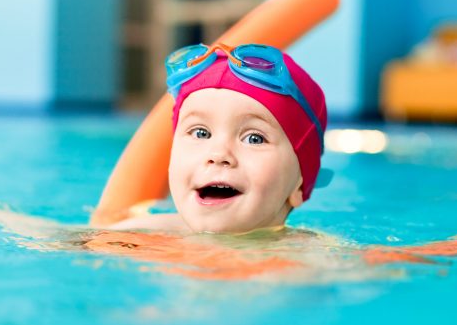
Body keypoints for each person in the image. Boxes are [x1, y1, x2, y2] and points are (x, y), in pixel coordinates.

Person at [107, 42, 329, 234]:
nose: (219, 154)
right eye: (200, 133)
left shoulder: (312, 259)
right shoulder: (138, 234)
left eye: (254, 138)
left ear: (299, 187)